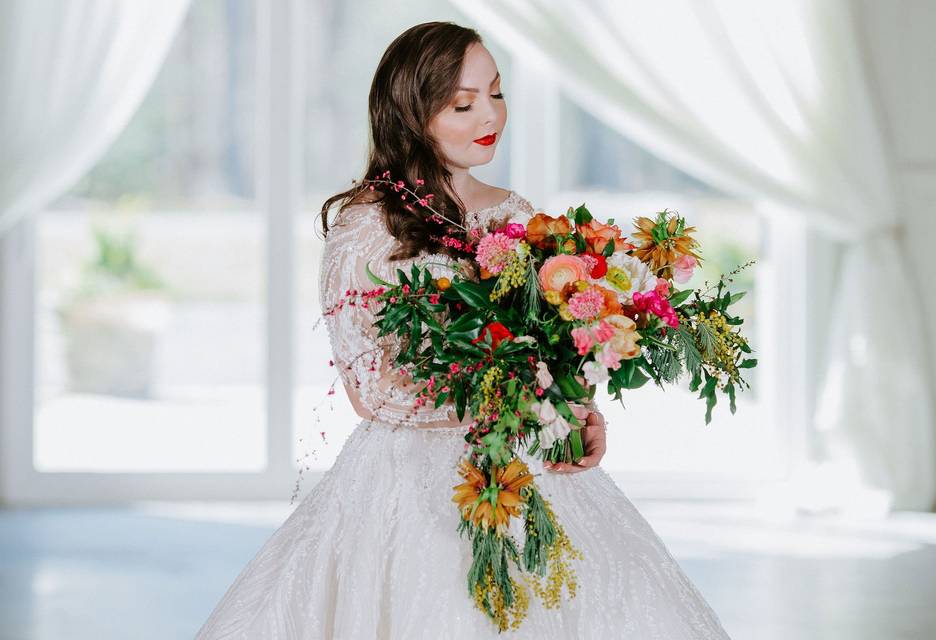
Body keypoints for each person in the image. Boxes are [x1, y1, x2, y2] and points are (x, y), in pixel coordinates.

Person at [196, 21, 731, 639]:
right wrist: (504, 394)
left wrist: (574, 407)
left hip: (528, 464)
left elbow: (556, 337)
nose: (490, 115)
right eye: (463, 102)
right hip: (407, 485)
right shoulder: (367, 226)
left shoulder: (517, 214)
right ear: (412, 114)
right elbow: (368, 391)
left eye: (497, 93)